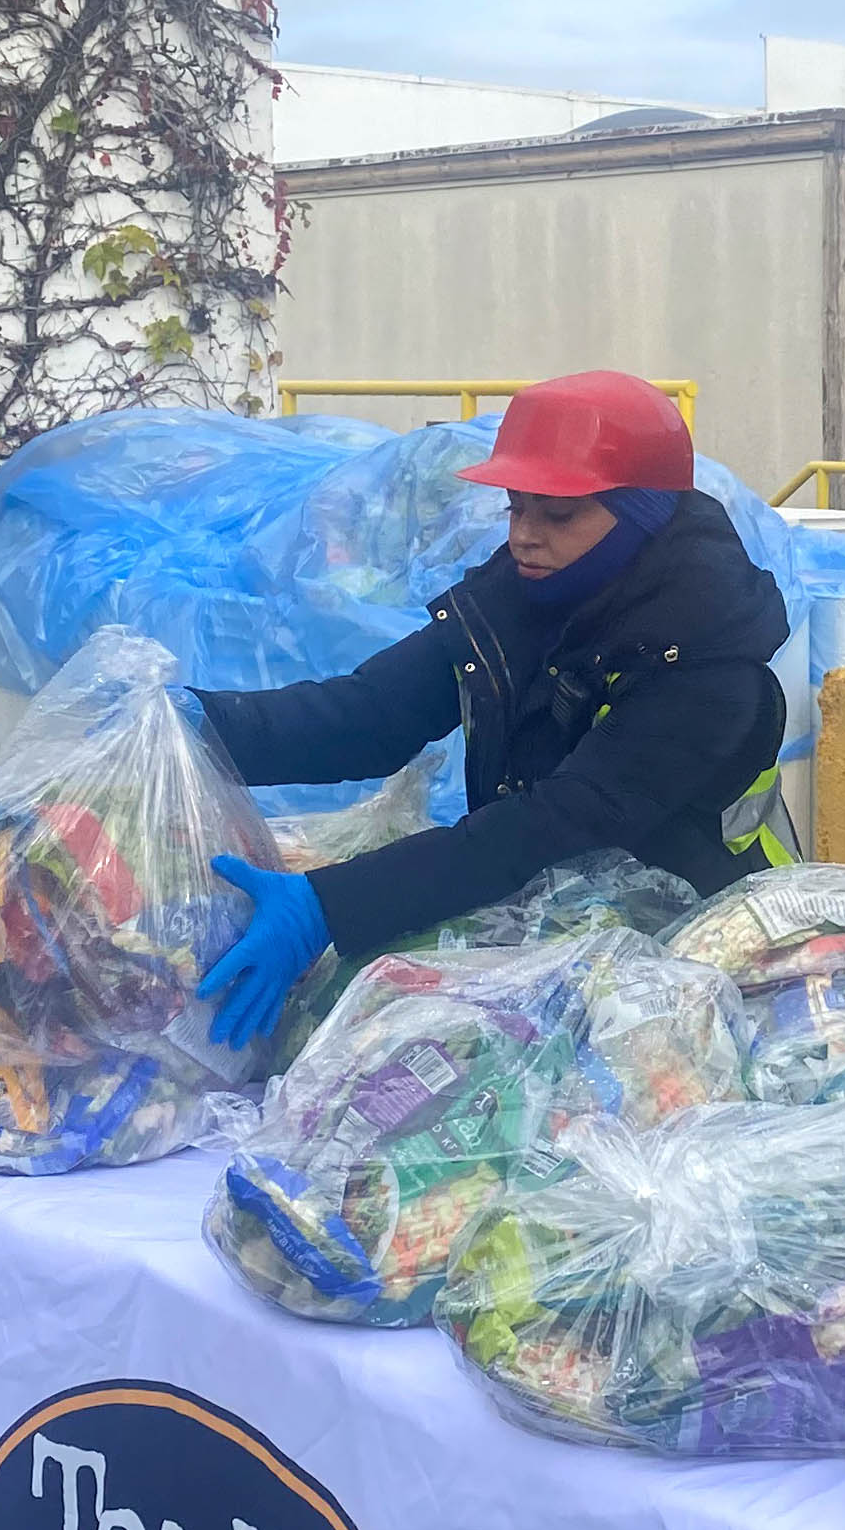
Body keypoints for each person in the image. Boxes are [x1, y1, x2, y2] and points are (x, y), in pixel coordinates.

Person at [186, 371, 794, 1045]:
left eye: (557, 514)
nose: (525, 536)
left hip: (693, 960)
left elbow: (551, 824)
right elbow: (370, 714)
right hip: (555, 933)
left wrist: (326, 905)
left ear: (641, 514)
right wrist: (199, 728)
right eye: (515, 507)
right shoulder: (523, 599)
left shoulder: (707, 668)